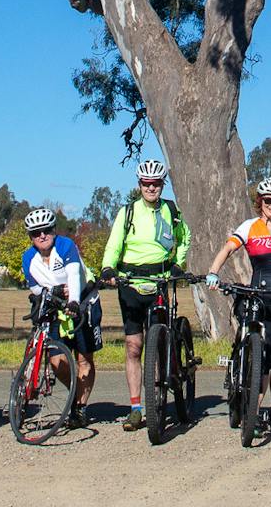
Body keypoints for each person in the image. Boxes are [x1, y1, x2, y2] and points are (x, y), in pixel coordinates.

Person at [205, 175, 271, 437]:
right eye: (267, 200)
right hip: (260, 295)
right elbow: (228, 248)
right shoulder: (250, 226)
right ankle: (254, 410)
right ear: (260, 201)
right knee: (262, 353)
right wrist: (214, 272)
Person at [97, 159, 192, 432]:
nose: (151, 187)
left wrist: (178, 264)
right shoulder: (127, 212)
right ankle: (136, 407)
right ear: (139, 185)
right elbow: (114, 244)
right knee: (133, 346)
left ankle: (161, 393)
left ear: (163, 184)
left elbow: (185, 239)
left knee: (158, 342)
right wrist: (107, 267)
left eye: (156, 183)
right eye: (146, 183)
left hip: (160, 281)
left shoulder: (171, 211)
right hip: (131, 283)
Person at [20, 206, 95, 426]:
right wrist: (49, 292)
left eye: (46, 230)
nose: (42, 236)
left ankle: (80, 408)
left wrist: (73, 300)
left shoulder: (65, 246)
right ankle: (75, 393)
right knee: (55, 361)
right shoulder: (28, 258)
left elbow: (73, 275)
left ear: (53, 230)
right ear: (31, 237)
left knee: (84, 359)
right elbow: (34, 286)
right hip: (55, 307)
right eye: (36, 233)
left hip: (83, 301)